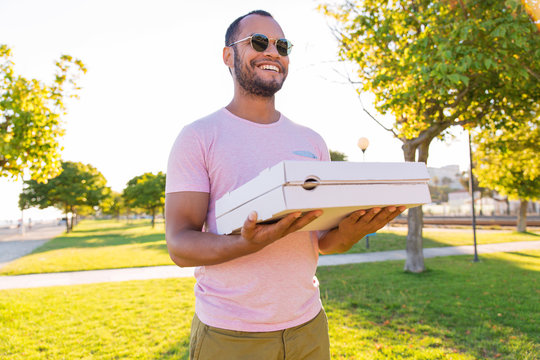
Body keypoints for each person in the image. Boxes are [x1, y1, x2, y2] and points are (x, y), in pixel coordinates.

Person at [165, 10, 405, 360]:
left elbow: (321, 243)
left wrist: (356, 230)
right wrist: (249, 244)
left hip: (308, 328)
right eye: (259, 42)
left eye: (282, 45)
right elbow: (180, 246)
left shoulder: (312, 141)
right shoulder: (198, 137)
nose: (273, 52)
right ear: (228, 55)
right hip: (231, 335)